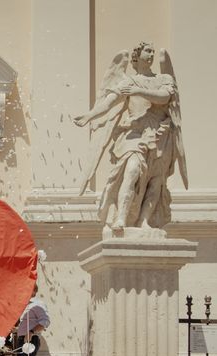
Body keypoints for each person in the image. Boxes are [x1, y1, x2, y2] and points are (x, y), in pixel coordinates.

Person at [73, 42, 187, 232]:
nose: (151, 54)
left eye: (152, 51)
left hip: (161, 135)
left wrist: (138, 91)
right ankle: (121, 218)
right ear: (137, 55)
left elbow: (164, 98)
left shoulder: (164, 78)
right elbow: (109, 103)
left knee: (155, 181)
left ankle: (144, 221)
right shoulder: (128, 82)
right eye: (147, 51)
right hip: (135, 134)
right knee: (132, 170)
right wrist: (89, 115)